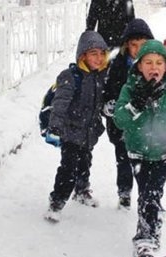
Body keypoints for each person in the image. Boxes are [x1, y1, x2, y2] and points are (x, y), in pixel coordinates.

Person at [113, 39, 166, 257]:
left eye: (159, 62)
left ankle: (147, 234)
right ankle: (148, 232)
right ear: (139, 66)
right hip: (137, 152)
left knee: (151, 192)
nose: (153, 67)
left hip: (164, 152)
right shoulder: (129, 89)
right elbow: (119, 119)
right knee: (146, 192)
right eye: (148, 62)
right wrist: (135, 105)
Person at [43, 31, 109, 222]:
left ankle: (81, 191)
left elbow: (101, 102)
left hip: (89, 132)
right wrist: (54, 127)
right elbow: (60, 103)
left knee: (85, 163)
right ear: (83, 56)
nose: (98, 58)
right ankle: (56, 202)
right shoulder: (71, 76)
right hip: (70, 132)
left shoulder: (100, 76)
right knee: (68, 169)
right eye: (93, 53)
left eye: (101, 54)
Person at [103, 18, 154, 210]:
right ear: (127, 45)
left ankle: (149, 198)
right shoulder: (117, 66)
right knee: (123, 160)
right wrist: (109, 106)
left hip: (145, 126)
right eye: (134, 45)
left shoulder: (154, 64)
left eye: (143, 45)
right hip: (123, 125)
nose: (139, 50)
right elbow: (108, 90)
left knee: (146, 164)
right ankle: (124, 192)